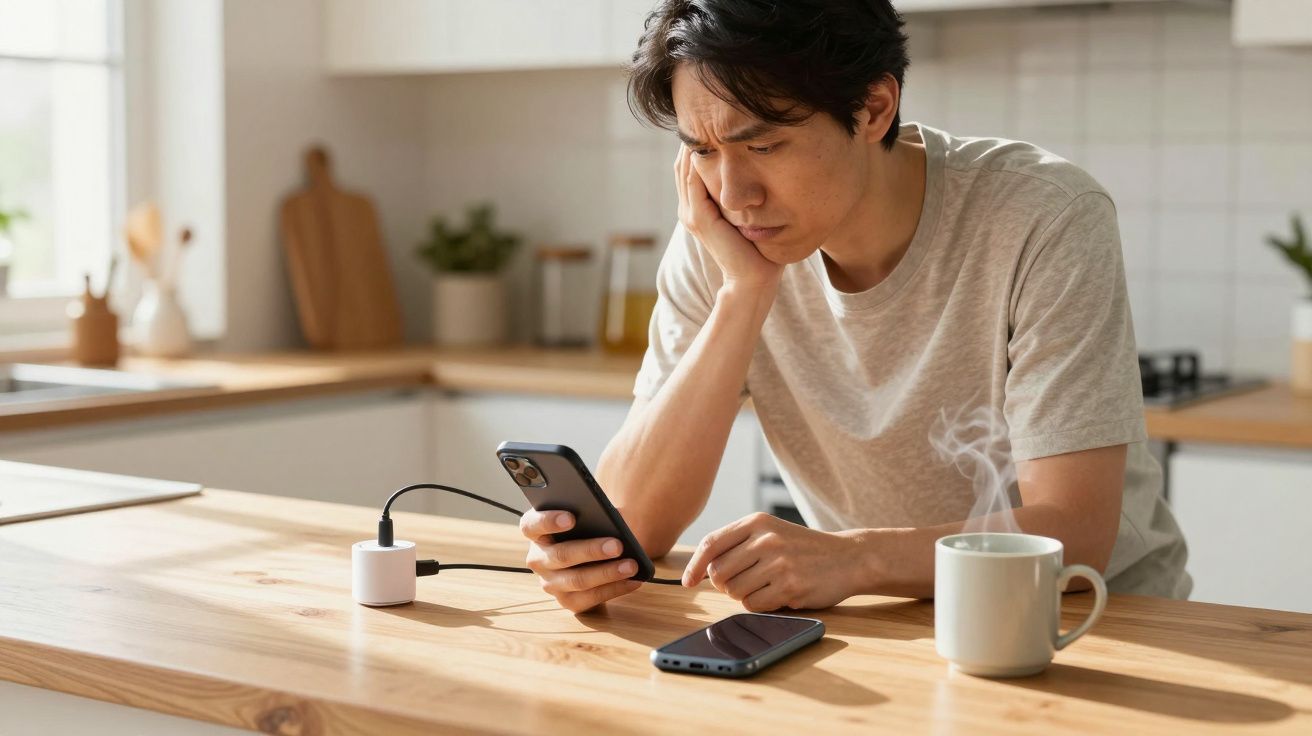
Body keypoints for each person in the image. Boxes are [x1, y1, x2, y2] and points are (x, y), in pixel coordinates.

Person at [519, 0, 1190, 614]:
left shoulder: (1042, 215)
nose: (734, 193)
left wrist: (858, 556)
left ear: (873, 108)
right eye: (702, 151)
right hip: (891, 620)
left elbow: (1074, 532)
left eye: (763, 145)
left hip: (1095, 617)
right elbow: (633, 520)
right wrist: (744, 293)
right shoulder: (723, 236)